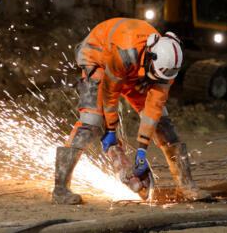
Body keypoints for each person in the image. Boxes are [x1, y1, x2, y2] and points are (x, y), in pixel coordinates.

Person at [52, 18, 211, 204]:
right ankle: (60, 190)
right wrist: (110, 131)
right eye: (155, 76)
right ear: (151, 57)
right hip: (97, 56)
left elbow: (153, 110)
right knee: (92, 122)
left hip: (137, 69)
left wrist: (141, 150)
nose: (157, 81)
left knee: (164, 125)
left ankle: (185, 187)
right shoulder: (125, 53)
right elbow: (110, 94)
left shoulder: (167, 66)